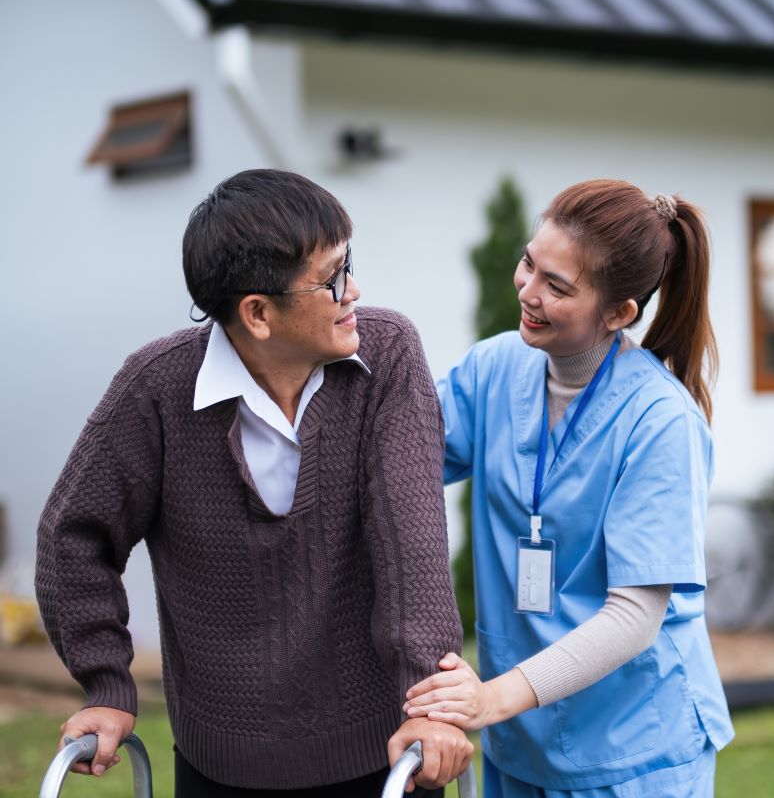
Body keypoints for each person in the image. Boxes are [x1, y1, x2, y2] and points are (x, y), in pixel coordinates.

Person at [35, 169, 472, 797]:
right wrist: (107, 683)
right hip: (221, 766)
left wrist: (429, 701)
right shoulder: (157, 388)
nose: (354, 291)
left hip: (387, 750)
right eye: (331, 279)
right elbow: (72, 535)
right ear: (259, 313)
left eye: (350, 264)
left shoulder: (389, 354)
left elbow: (412, 543)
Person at [403, 180, 735, 797]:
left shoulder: (661, 422)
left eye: (557, 287)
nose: (528, 291)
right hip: (521, 747)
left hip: (634, 753)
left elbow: (635, 615)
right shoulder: (494, 370)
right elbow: (399, 469)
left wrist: (488, 700)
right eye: (530, 263)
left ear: (618, 313)